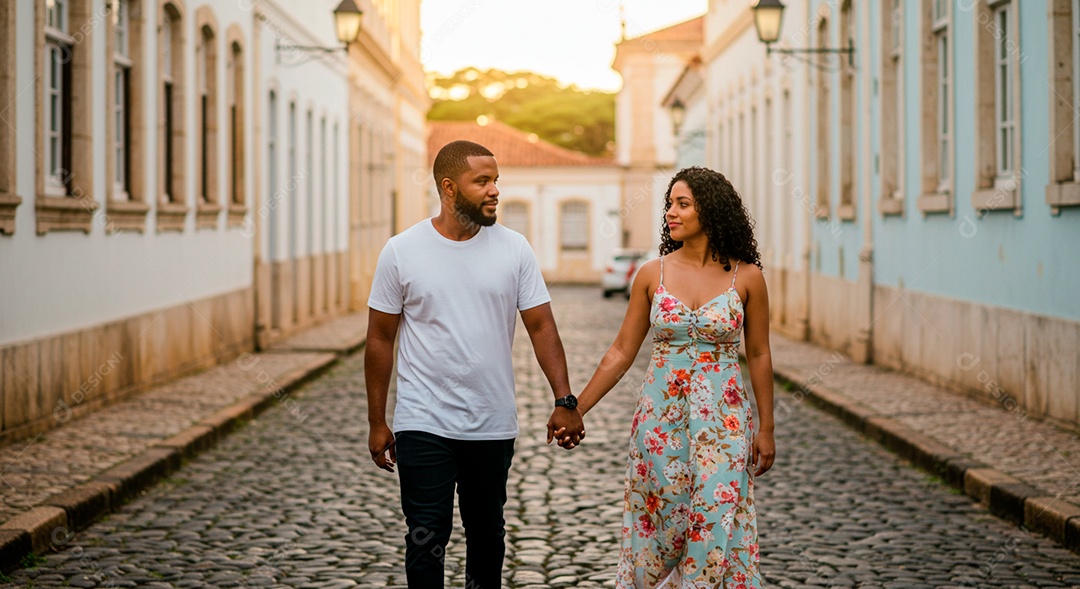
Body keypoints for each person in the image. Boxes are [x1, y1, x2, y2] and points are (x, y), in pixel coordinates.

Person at [365, 140, 586, 589]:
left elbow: (542, 327)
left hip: (491, 422)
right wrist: (377, 421)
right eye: (482, 181)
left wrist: (565, 399)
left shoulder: (514, 249)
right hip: (422, 421)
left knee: (488, 536)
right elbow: (380, 338)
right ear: (449, 187)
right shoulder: (401, 251)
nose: (494, 191)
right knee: (426, 537)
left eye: (496, 181)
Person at [564, 167, 775, 588]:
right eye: (669, 204)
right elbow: (622, 351)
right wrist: (575, 407)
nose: (671, 213)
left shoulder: (747, 277)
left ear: (711, 212)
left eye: (683, 204)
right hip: (661, 421)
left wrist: (766, 427)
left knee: (716, 517)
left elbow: (758, 352)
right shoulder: (651, 274)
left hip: (725, 421)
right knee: (663, 521)